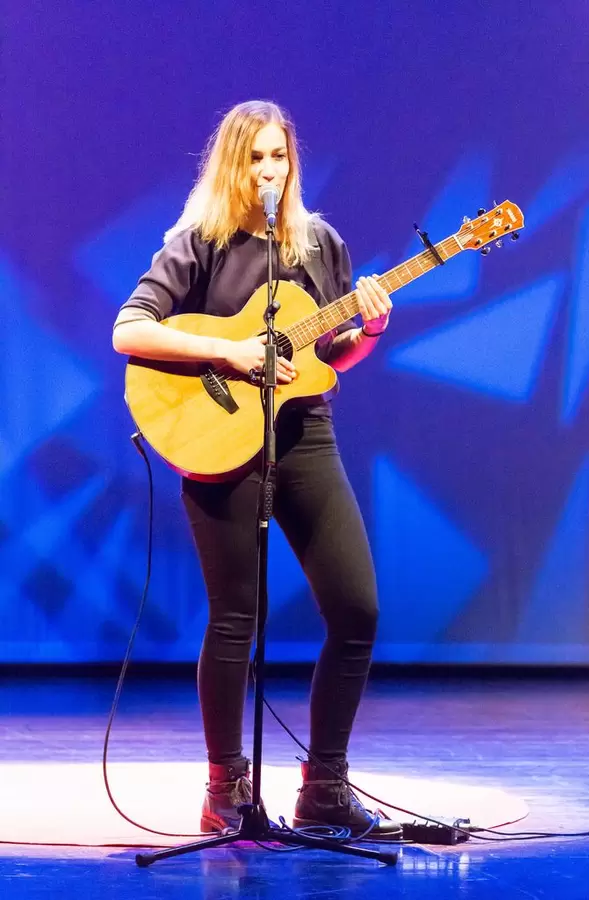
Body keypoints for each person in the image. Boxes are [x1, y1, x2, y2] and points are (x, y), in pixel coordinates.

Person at [112, 100, 399, 838]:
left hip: (305, 436)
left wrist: (368, 327)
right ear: (233, 165)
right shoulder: (199, 242)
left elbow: (329, 360)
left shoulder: (319, 243)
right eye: (255, 158)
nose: (269, 170)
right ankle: (225, 787)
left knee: (357, 609)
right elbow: (130, 329)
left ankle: (325, 785)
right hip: (220, 445)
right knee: (238, 617)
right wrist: (231, 352)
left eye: (280, 157)